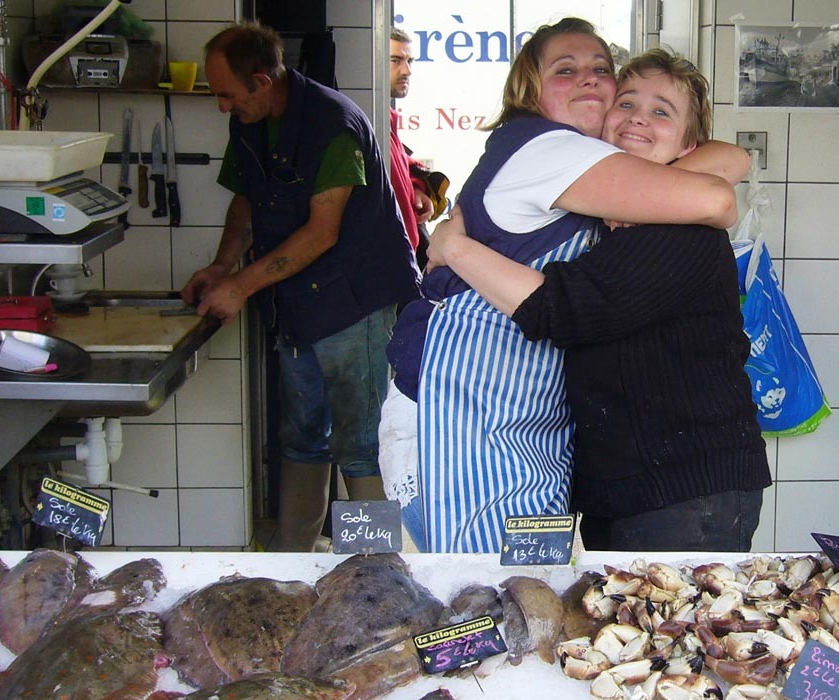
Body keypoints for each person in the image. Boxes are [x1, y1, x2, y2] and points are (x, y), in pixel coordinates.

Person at [381, 17, 751, 553]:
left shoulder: (618, 187)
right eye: (566, 70)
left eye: (601, 70)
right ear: (528, 88)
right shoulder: (548, 150)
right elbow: (714, 191)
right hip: (456, 418)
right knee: (478, 603)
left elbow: (723, 177)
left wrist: (455, 247)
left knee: (519, 602)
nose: (588, 80)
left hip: (598, 454)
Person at [182, 22, 420, 551]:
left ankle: (380, 571)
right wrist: (223, 266)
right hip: (295, 306)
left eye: (226, 94)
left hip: (353, 303)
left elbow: (322, 231)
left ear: (262, 80)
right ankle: (292, 567)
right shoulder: (250, 123)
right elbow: (246, 199)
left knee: (360, 444)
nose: (221, 107)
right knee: (302, 439)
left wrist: (240, 288)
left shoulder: (332, 125)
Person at [388, 26, 441, 267]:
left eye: (410, 61)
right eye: (395, 60)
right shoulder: (367, 123)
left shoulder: (386, 122)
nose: (406, 70)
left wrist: (416, 190)